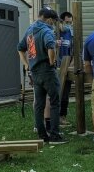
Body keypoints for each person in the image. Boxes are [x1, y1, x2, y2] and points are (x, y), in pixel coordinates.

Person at [17, 8, 66, 144]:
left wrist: (26, 64)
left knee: (39, 105)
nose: (53, 24)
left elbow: (20, 48)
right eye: (53, 21)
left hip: (35, 72)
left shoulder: (30, 30)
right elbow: (50, 46)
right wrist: (52, 61)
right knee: (55, 102)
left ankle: (42, 135)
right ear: (49, 19)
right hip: (47, 71)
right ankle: (55, 136)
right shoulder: (46, 30)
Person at [58, 11, 74, 126]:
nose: (68, 25)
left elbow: (73, 51)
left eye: (70, 23)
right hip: (56, 66)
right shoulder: (55, 32)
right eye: (66, 22)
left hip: (67, 66)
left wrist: (71, 64)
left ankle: (62, 116)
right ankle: (51, 117)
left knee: (65, 94)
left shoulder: (71, 34)